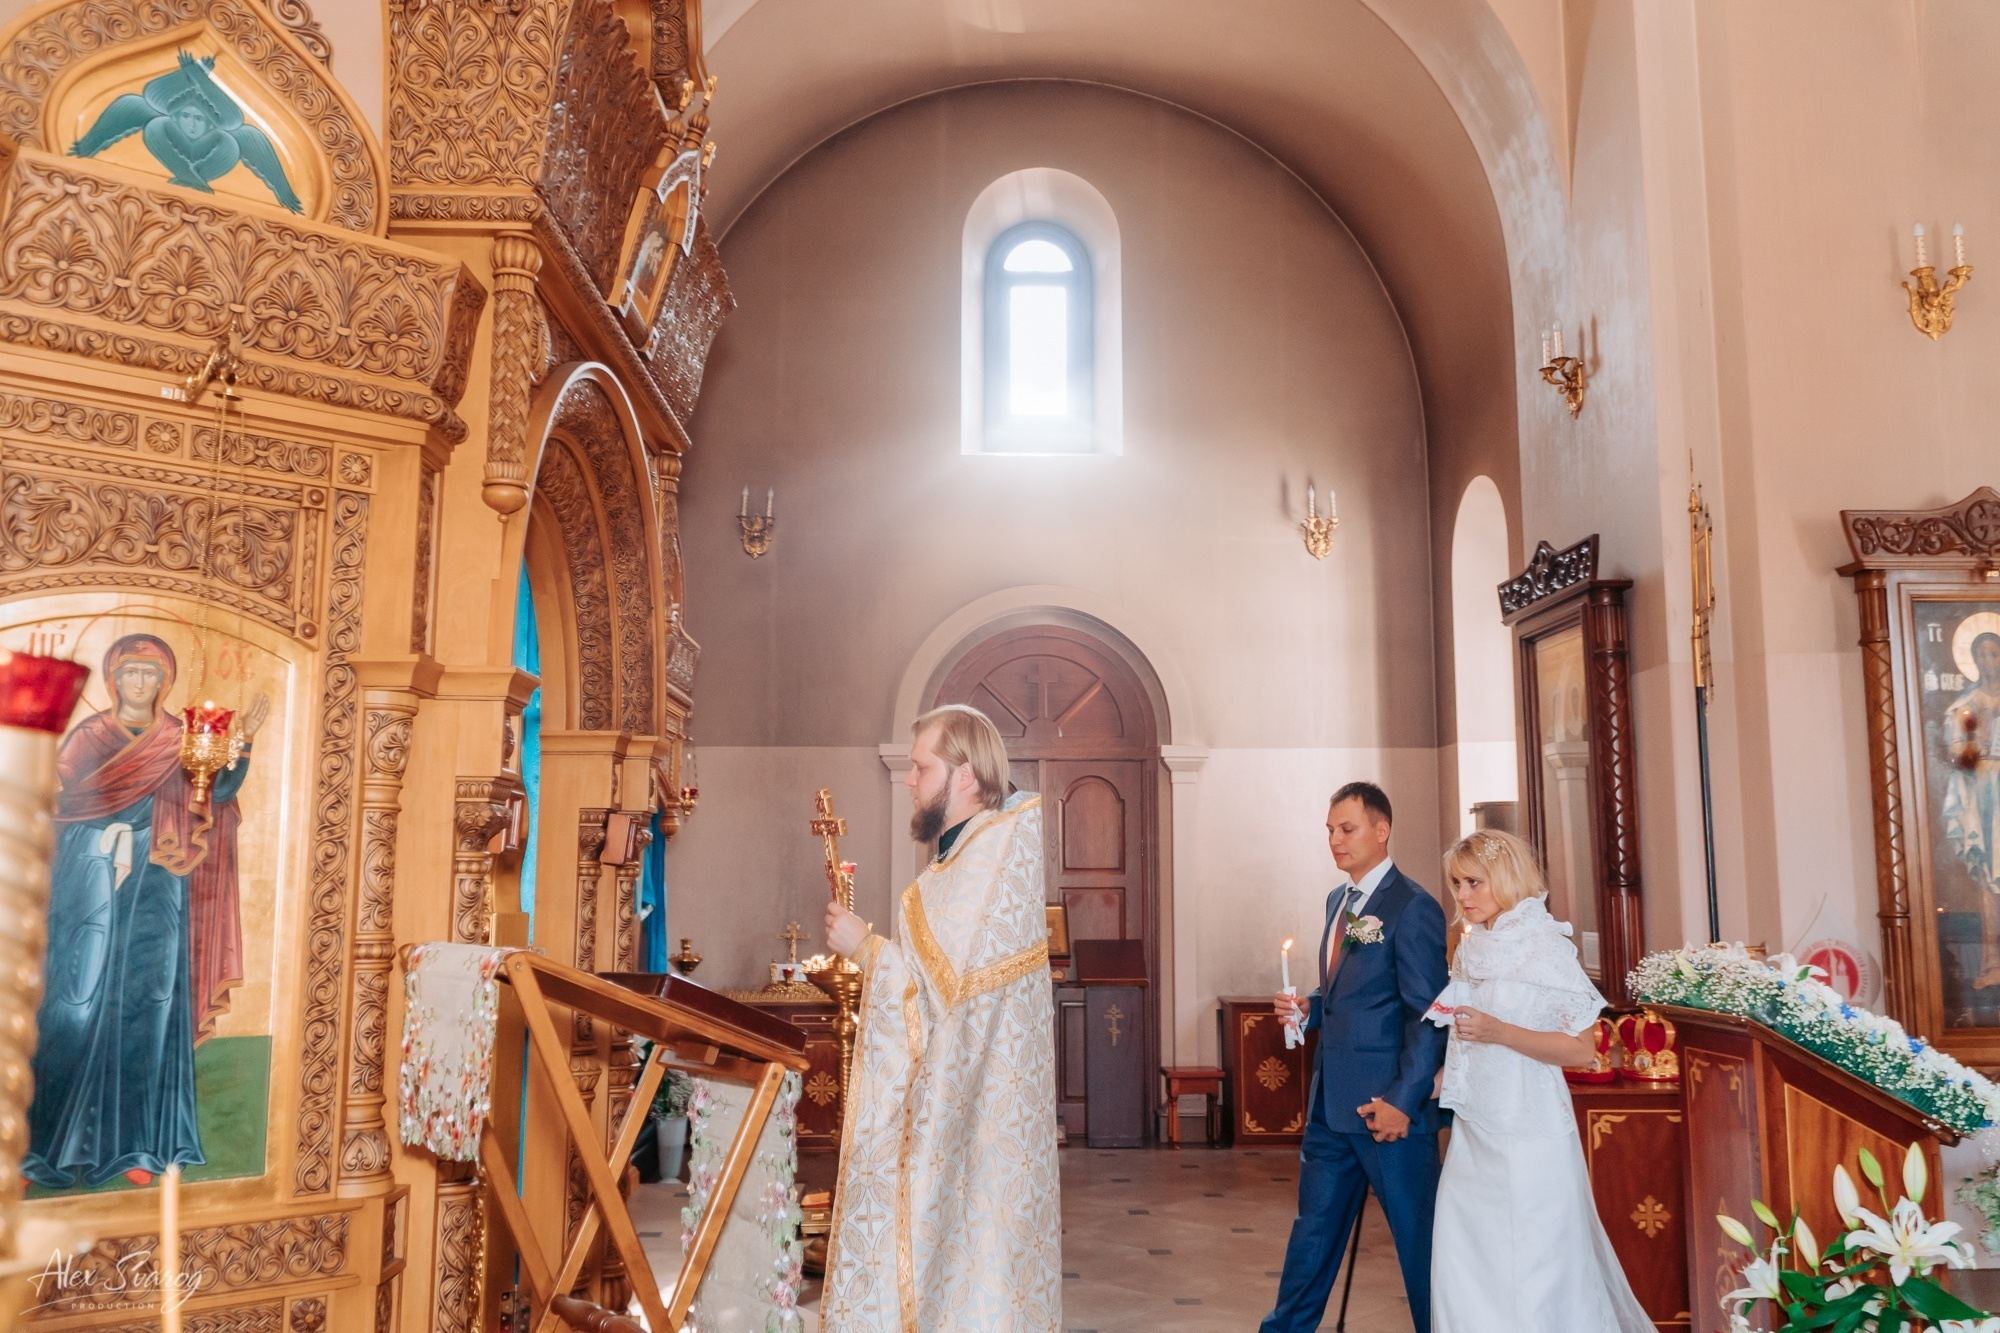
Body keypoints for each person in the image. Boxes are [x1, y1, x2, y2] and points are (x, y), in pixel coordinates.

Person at [820, 704, 1059, 1331]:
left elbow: (941, 1003)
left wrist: (866, 949)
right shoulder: (961, 860)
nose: (909, 779)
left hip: (980, 1119)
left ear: (965, 777)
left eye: (921, 767)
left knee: (975, 1270)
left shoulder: (987, 862)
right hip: (968, 1109)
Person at [27, 633, 268, 1188]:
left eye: (152, 675)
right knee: (74, 1002)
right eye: (132, 673)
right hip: (91, 874)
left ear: (165, 684)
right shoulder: (89, 737)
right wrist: (103, 834)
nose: (141, 684)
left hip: (159, 879)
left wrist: (244, 743)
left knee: (149, 1002)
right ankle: (40, 1149)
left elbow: (213, 795)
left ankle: (139, 1146)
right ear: (114, 679)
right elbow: (58, 801)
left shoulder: (179, 739)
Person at [1427, 829, 1651, 1332]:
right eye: (1457, 884)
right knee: (1463, 1265)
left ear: (1504, 880)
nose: (1462, 896)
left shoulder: (1546, 947)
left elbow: (1582, 1050)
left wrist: (1501, 1032)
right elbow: (1464, 1036)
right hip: (1474, 1133)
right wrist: (1435, 1078)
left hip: (1529, 1135)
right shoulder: (1469, 949)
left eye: (1473, 883)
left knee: (1530, 1273)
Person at [1263, 782, 1449, 1333]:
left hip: (1387, 1112)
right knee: (1312, 1235)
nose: (1335, 841)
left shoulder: (1413, 908)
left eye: (1347, 829)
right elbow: (1349, 999)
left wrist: (1402, 1101)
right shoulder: (1337, 902)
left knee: (1419, 1244)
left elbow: (1428, 1017)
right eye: (1329, 831)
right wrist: (1307, 1009)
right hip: (1330, 1107)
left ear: (1381, 829)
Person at [1943, 630, 2000, 987]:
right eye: (1981, 655)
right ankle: (1992, 962)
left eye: (1994, 654)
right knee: (1988, 879)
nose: (1988, 661)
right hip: (1983, 793)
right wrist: (1974, 738)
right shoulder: (1965, 704)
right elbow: (1956, 754)